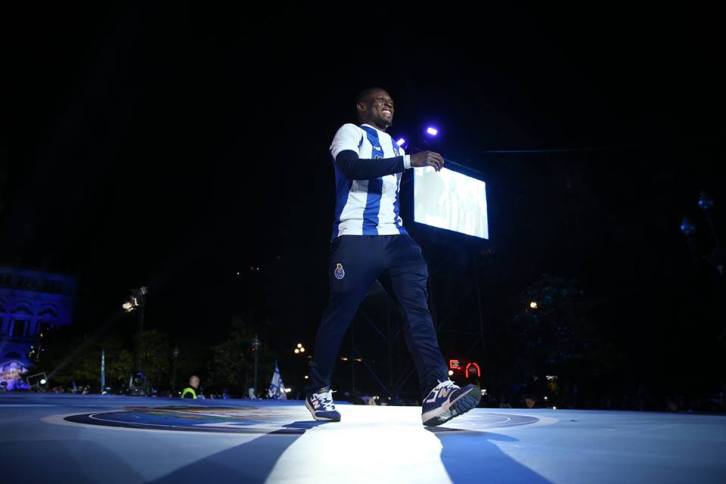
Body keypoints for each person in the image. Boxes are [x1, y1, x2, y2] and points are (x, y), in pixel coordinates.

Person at [304, 87, 481, 426]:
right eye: (380, 100)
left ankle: (436, 389)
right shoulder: (350, 132)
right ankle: (318, 388)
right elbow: (351, 167)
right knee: (340, 314)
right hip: (356, 237)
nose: (388, 104)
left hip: (397, 240)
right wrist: (409, 161)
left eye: (391, 102)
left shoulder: (395, 146)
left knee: (418, 311)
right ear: (361, 106)